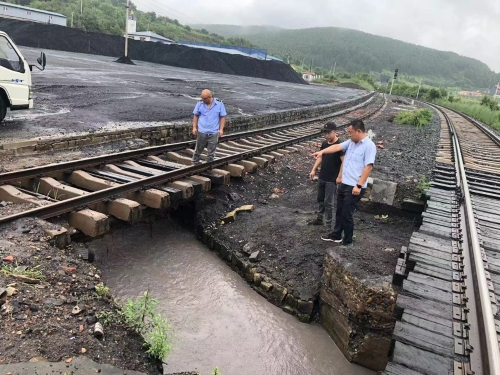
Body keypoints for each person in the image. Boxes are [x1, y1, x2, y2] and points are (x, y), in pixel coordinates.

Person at [311, 119, 376, 246]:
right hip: (345, 183)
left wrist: (358, 185)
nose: (349, 135)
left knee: (347, 214)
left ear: (358, 131)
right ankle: (336, 235)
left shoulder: (369, 146)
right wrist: (322, 151)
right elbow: (337, 147)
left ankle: (348, 241)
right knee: (339, 211)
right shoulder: (351, 142)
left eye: (350, 132)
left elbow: (368, 167)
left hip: (355, 186)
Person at [308, 121, 344, 229]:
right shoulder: (324, 144)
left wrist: (340, 176)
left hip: (332, 179)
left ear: (335, 132)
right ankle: (320, 218)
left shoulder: (340, 145)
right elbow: (320, 157)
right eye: (325, 133)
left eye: (329, 133)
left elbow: (344, 162)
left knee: (329, 202)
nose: (327, 135)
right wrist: (314, 169)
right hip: (322, 176)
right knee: (320, 199)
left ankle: (328, 225)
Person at [191, 89, 227, 165]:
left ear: (209, 97)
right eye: (202, 98)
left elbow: (222, 117)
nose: (203, 100)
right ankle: (194, 162)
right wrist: (194, 127)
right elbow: (196, 116)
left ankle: (208, 165)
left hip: (213, 132)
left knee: (211, 151)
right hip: (202, 131)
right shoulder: (199, 104)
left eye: (204, 99)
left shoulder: (219, 104)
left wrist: (221, 129)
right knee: (198, 149)